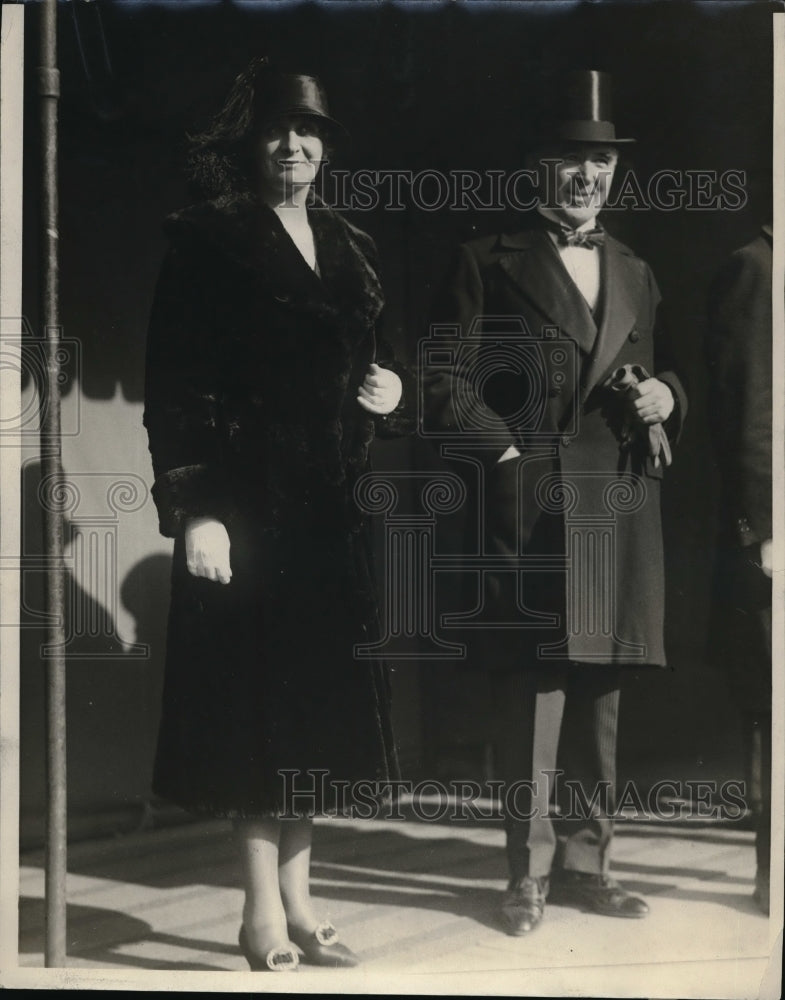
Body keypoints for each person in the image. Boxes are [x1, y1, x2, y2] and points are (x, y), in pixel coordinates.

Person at [143, 58, 411, 971]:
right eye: (275, 130)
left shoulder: (354, 246)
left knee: (314, 716)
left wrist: (389, 391)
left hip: (329, 520)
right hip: (246, 514)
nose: (293, 146)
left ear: (326, 148)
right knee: (254, 714)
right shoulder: (207, 239)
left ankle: (301, 899)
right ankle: (259, 908)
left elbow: (380, 365)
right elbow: (174, 390)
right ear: (249, 144)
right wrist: (197, 510)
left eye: (309, 132)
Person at [423, 70, 687, 934]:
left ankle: (584, 863)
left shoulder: (635, 270)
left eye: (600, 164)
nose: (586, 177)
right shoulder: (485, 260)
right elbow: (442, 377)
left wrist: (667, 398)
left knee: (601, 695)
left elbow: (661, 364)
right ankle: (523, 874)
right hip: (529, 501)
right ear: (538, 167)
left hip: (614, 500)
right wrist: (501, 454)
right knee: (530, 694)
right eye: (571, 161)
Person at [706, 225, 773, 915]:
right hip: (773, 535)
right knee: (770, 705)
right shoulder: (755, 267)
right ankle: (770, 872)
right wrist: (762, 531)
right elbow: (744, 412)